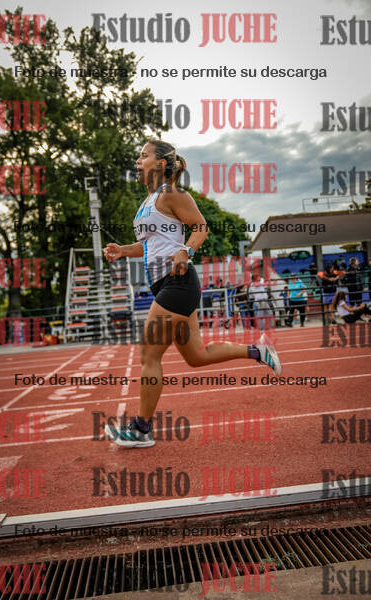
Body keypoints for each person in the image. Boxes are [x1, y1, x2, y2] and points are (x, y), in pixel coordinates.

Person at [103, 139, 282, 448]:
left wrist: (186, 251)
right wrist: (122, 250)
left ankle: (141, 429)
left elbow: (200, 227)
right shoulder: (149, 200)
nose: (137, 161)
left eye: (143, 156)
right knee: (196, 356)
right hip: (166, 285)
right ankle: (258, 351)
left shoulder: (173, 194)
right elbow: (148, 246)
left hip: (178, 282)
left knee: (149, 354)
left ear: (160, 163)